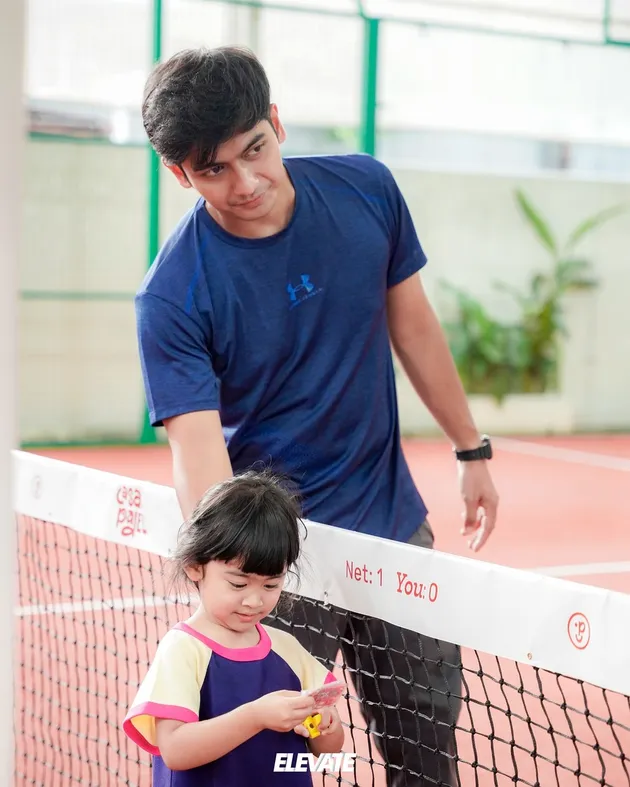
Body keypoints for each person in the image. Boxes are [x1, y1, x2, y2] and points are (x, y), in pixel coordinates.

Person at [136, 45, 499, 786]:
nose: (246, 183)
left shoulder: (367, 189)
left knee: (429, 765)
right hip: (280, 570)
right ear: (180, 173)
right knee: (270, 766)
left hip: (396, 534)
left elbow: (416, 328)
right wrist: (241, 581)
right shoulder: (172, 295)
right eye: (213, 170)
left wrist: (471, 449)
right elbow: (201, 465)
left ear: (276, 120)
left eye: (256, 150)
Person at [123, 471, 344, 786]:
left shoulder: (287, 648)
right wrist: (255, 717)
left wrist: (326, 727)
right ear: (195, 566)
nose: (254, 600)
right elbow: (175, 750)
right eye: (238, 583)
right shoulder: (183, 650)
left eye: (271, 584)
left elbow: (328, 753)